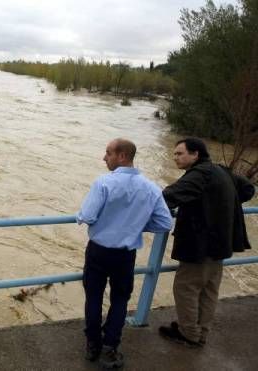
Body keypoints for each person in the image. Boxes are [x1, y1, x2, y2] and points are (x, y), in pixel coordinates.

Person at [77, 138, 172, 368]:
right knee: (120, 299)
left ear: (122, 156)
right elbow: (165, 223)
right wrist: (136, 225)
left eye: (108, 152)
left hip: (99, 251)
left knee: (94, 297)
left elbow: (87, 216)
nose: (104, 157)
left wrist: (83, 217)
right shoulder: (151, 187)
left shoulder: (103, 183)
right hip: (125, 254)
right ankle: (110, 346)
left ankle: (92, 344)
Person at [158, 137, 255, 347]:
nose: (175, 157)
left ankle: (188, 334)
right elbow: (248, 189)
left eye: (180, 153)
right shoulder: (220, 170)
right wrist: (220, 205)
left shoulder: (199, 174)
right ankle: (200, 332)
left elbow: (166, 197)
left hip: (200, 244)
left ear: (195, 154)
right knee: (209, 290)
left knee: (186, 288)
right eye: (174, 153)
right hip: (222, 242)